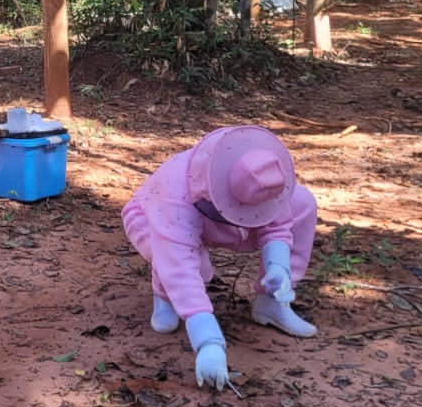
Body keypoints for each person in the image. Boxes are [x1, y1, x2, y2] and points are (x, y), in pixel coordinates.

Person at [122, 125, 318, 389]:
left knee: (302, 202)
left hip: (231, 222)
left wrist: (279, 267)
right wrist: (208, 340)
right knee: (193, 268)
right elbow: (178, 262)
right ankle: (163, 295)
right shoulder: (174, 194)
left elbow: (277, 221)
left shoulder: (265, 172)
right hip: (153, 219)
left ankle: (271, 302)